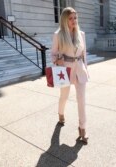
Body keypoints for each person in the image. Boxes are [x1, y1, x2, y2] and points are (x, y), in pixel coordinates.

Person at [50, 7, 89, 144]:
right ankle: (61, 113)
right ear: (65, 20)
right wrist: (57, 60)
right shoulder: (58, 34)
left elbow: (84, 55)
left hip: (79, 69)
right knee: (64, 97)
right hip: (64, 70)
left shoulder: (81, 34)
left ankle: (83, 128)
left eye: (75, 18)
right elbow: (53, 54)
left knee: (81, 100)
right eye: (71, 18)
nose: (74, 21)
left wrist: (86, 70)